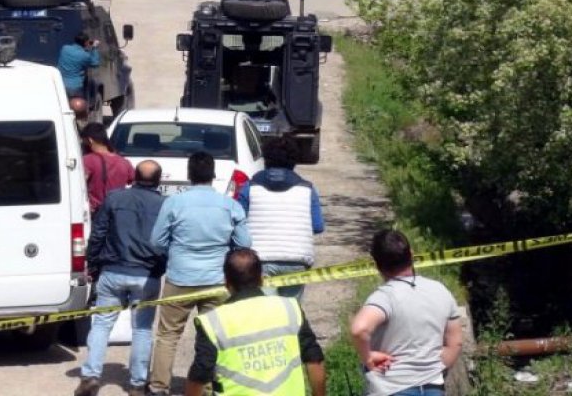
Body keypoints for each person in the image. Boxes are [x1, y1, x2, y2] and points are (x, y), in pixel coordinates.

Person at [147, 152, 252, 396]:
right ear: (213, 175)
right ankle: (207, 386)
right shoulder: (230, 205)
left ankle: (159, 386)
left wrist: (174, 253)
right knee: (213, 336)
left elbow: (156, 241)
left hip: (180, 277)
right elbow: (244, 243)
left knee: (168, 335)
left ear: (189, 174)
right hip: (217, 280)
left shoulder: (173, 203)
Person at [75, 160, 167, 396]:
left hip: (112, 271)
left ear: (134, 176)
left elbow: (98, 234)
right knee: (142, 329)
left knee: (102, 324)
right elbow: (168, 242)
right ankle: (137, 383)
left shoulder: (114, 198)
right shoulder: (165, 205)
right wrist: (160, 268)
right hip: (146, 275)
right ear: (158, 180)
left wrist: (93, 266)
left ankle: (91, 375)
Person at [185, 248, 327, 396]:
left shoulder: (213, 322)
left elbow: (199, 375)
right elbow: (314, 359)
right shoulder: (289, 308)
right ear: (261, 278)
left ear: (226, 283)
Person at [350, 230, 464, 396]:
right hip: (433, 387)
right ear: (411, 254)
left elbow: (359, 329)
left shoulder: (384, 297)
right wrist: (433, 370)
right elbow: (456, 343)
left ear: (376, 264)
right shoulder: (440, 290)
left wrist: (368, 358)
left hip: (391, 387)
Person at [237, 136, 324, 300]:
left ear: (266, 160)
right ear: (294, 161)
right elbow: (318, 226)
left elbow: (238, 222)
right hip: (297, 258)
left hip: (259, 259)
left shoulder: (250, 187)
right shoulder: (308, 189)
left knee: (266, 310)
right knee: (291, 310)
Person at [81, 122, 134, 215]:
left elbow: (79, 185)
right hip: (117, 210)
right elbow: (135, 182)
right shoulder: (124, 162)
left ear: (90, 140)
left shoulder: (87, 161)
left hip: (96, 211)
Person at [59, 32, 101, 98]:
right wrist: (94, 48)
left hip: (60, 84)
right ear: (85, 43)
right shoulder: (85, 55)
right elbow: (95, 63)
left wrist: (86, 45)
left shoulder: (64, 49)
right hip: (75, 87)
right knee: (77, 104)